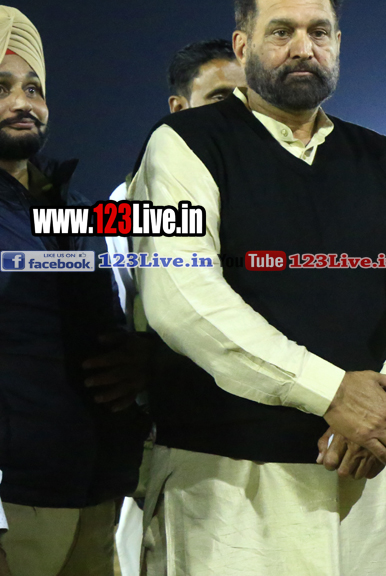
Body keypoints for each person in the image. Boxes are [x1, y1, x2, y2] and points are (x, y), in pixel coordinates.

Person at [129, 0, 386, 575]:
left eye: (318, 31)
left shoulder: (380, 158)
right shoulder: (184, 143)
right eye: (282, 31)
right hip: (228, 486)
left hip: (361, 478)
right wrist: (332, 392)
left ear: (338, 44)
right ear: (243, 46)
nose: (303, 47)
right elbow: (183, 298)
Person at [0, 6, 148, 576]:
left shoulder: (73, 209)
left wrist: (136, 359)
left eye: (33, 88)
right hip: (15, 501)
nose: (23, 103)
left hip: (93, 491)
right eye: (2, 87)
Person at [107, 37, 246, 576]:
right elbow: (123, 314)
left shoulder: (269, 194)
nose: (237, 112)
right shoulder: (127, 204)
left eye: (247, 98)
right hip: (171, 437)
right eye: (220, 98)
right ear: (179, 108)